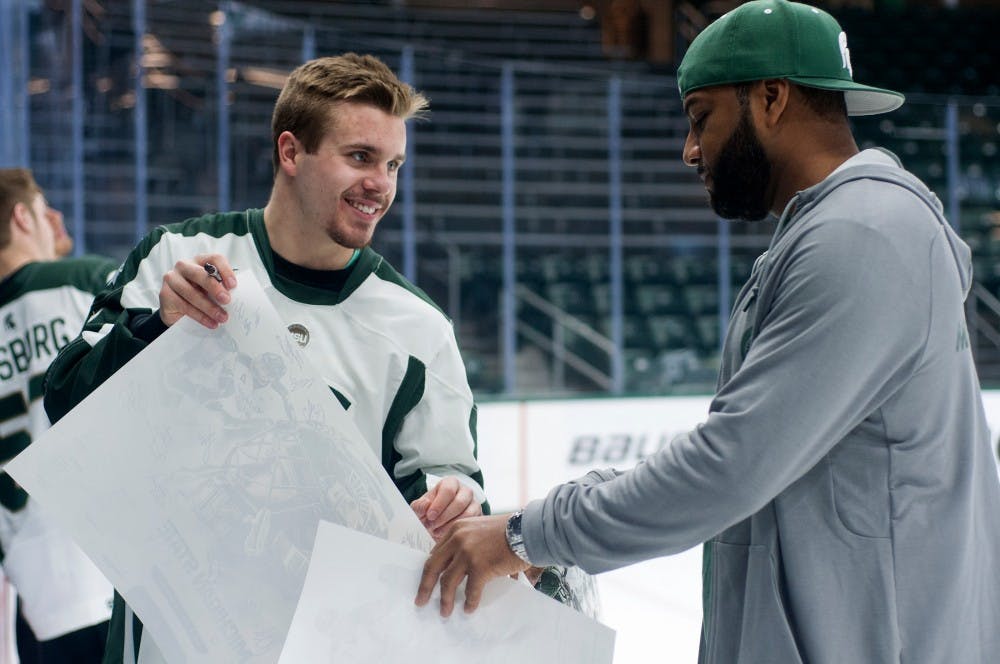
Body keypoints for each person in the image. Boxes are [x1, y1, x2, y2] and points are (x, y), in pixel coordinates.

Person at [415, 2, 1000, 662]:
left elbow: (730, 469)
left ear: (772, 98)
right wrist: (537, 524)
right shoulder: (842, 231)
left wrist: (524, 536)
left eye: (702, 118)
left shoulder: (860, 237)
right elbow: (748, 462)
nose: (690, 149)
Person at [42, 54, 488, 663]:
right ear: (290, 152)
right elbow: (66, 402)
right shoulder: (179, 254)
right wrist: (153, 327)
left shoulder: (420, 330)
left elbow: (450, 486)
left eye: (392, 165)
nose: (381, 184)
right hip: (166, 642)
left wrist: (454, 499)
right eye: (359, 157)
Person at [0, 168, 118, 663]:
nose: (58, 219)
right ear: (22, 216)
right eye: (45, 207)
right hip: (117, 577)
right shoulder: (86, 282)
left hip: (38, 611)